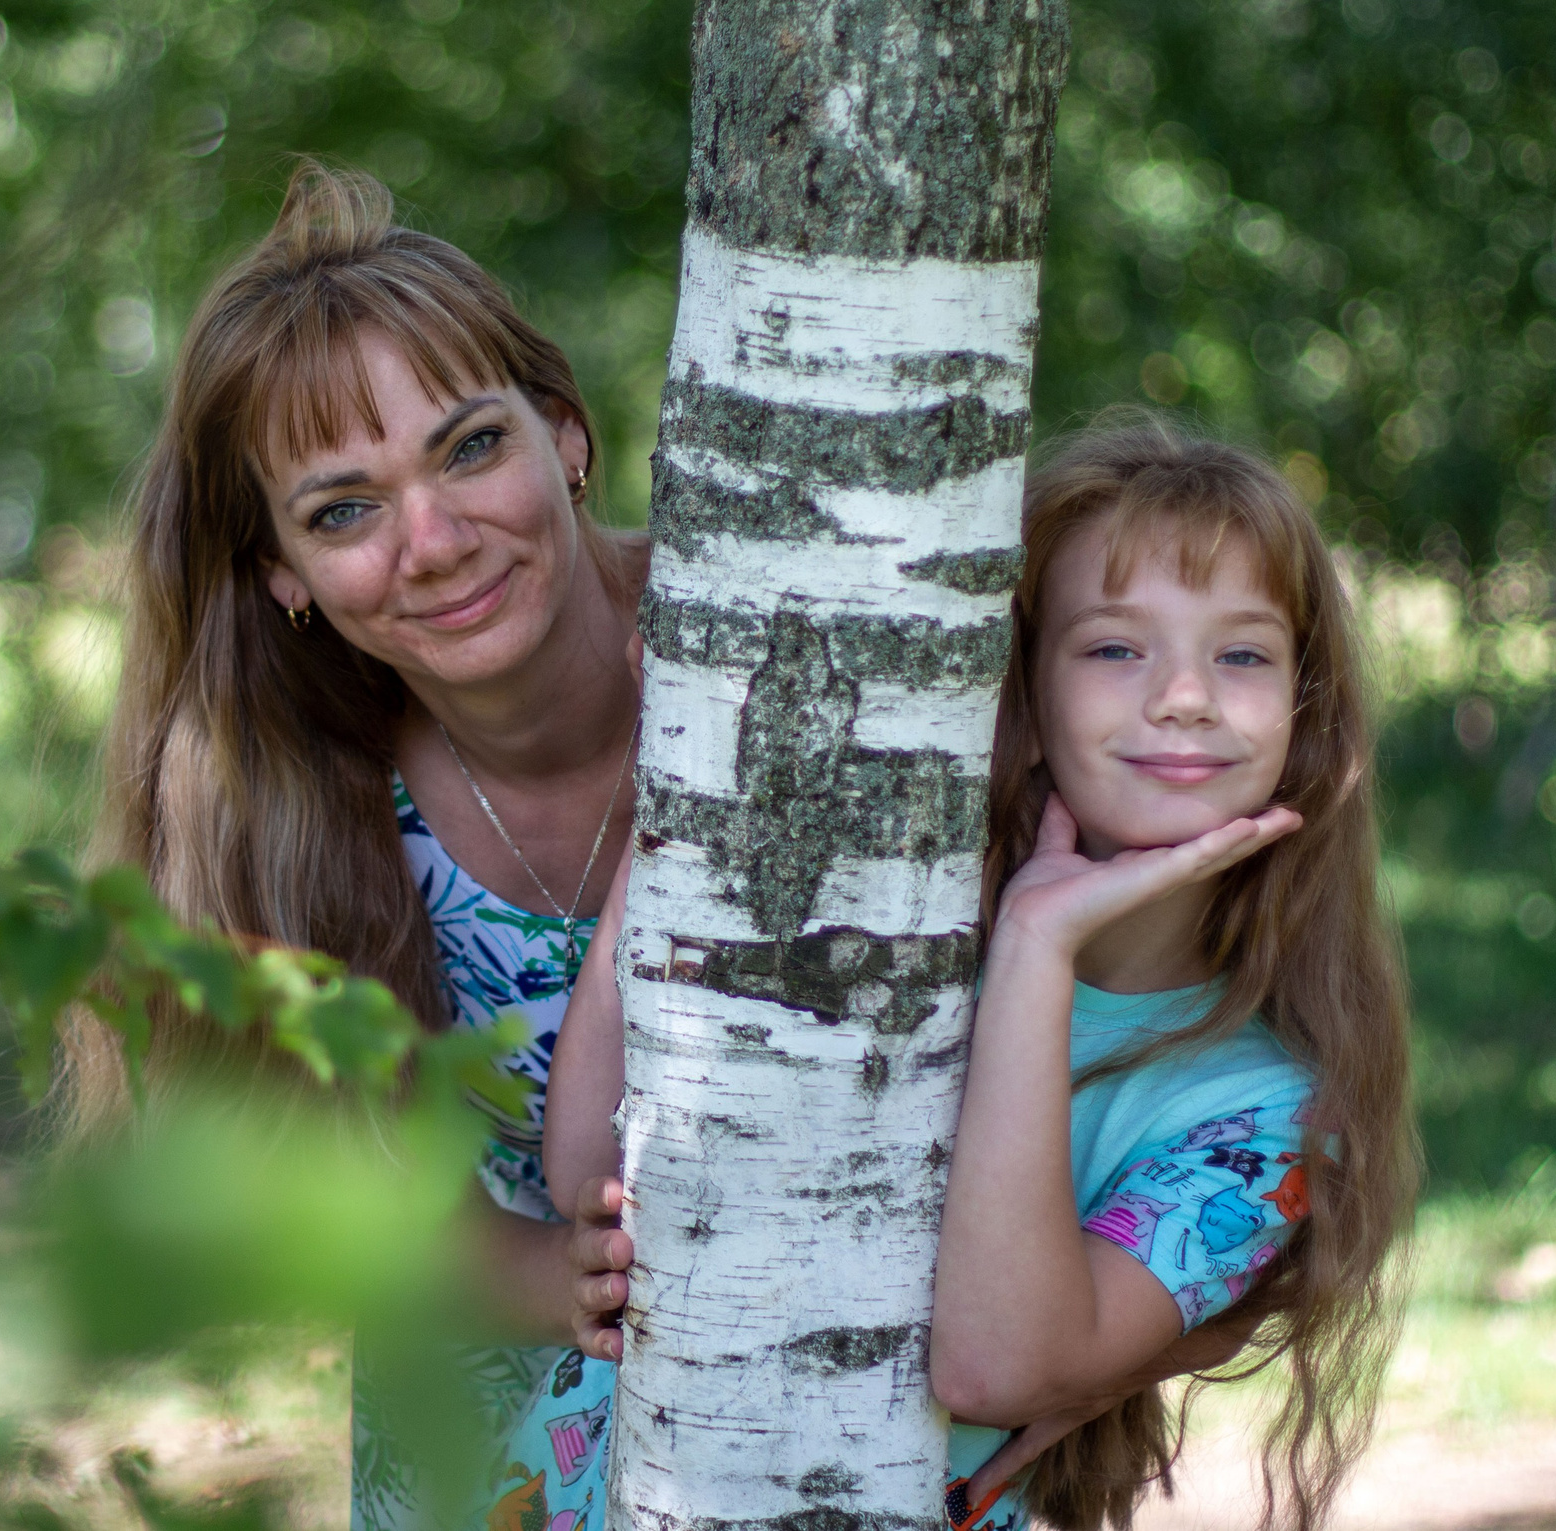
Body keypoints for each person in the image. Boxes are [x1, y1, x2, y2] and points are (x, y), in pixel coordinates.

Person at [498, 416, 1417, 1531]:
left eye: (1241, 654)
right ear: (1021, 704)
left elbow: (991, 1368)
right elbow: (594, 1172)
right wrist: (687, 810)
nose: (1184, 695)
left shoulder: (1259, 1113)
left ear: (1305, 719)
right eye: (1115, 647)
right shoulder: (883, 929)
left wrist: (1037, 951)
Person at [67, 161, 642, 1531]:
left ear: (562, 431)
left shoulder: (786, 652)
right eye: (343, 510)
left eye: (468, 447)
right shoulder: (288, 790)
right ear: (283, 572)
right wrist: (558, 1280)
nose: (434, 540)